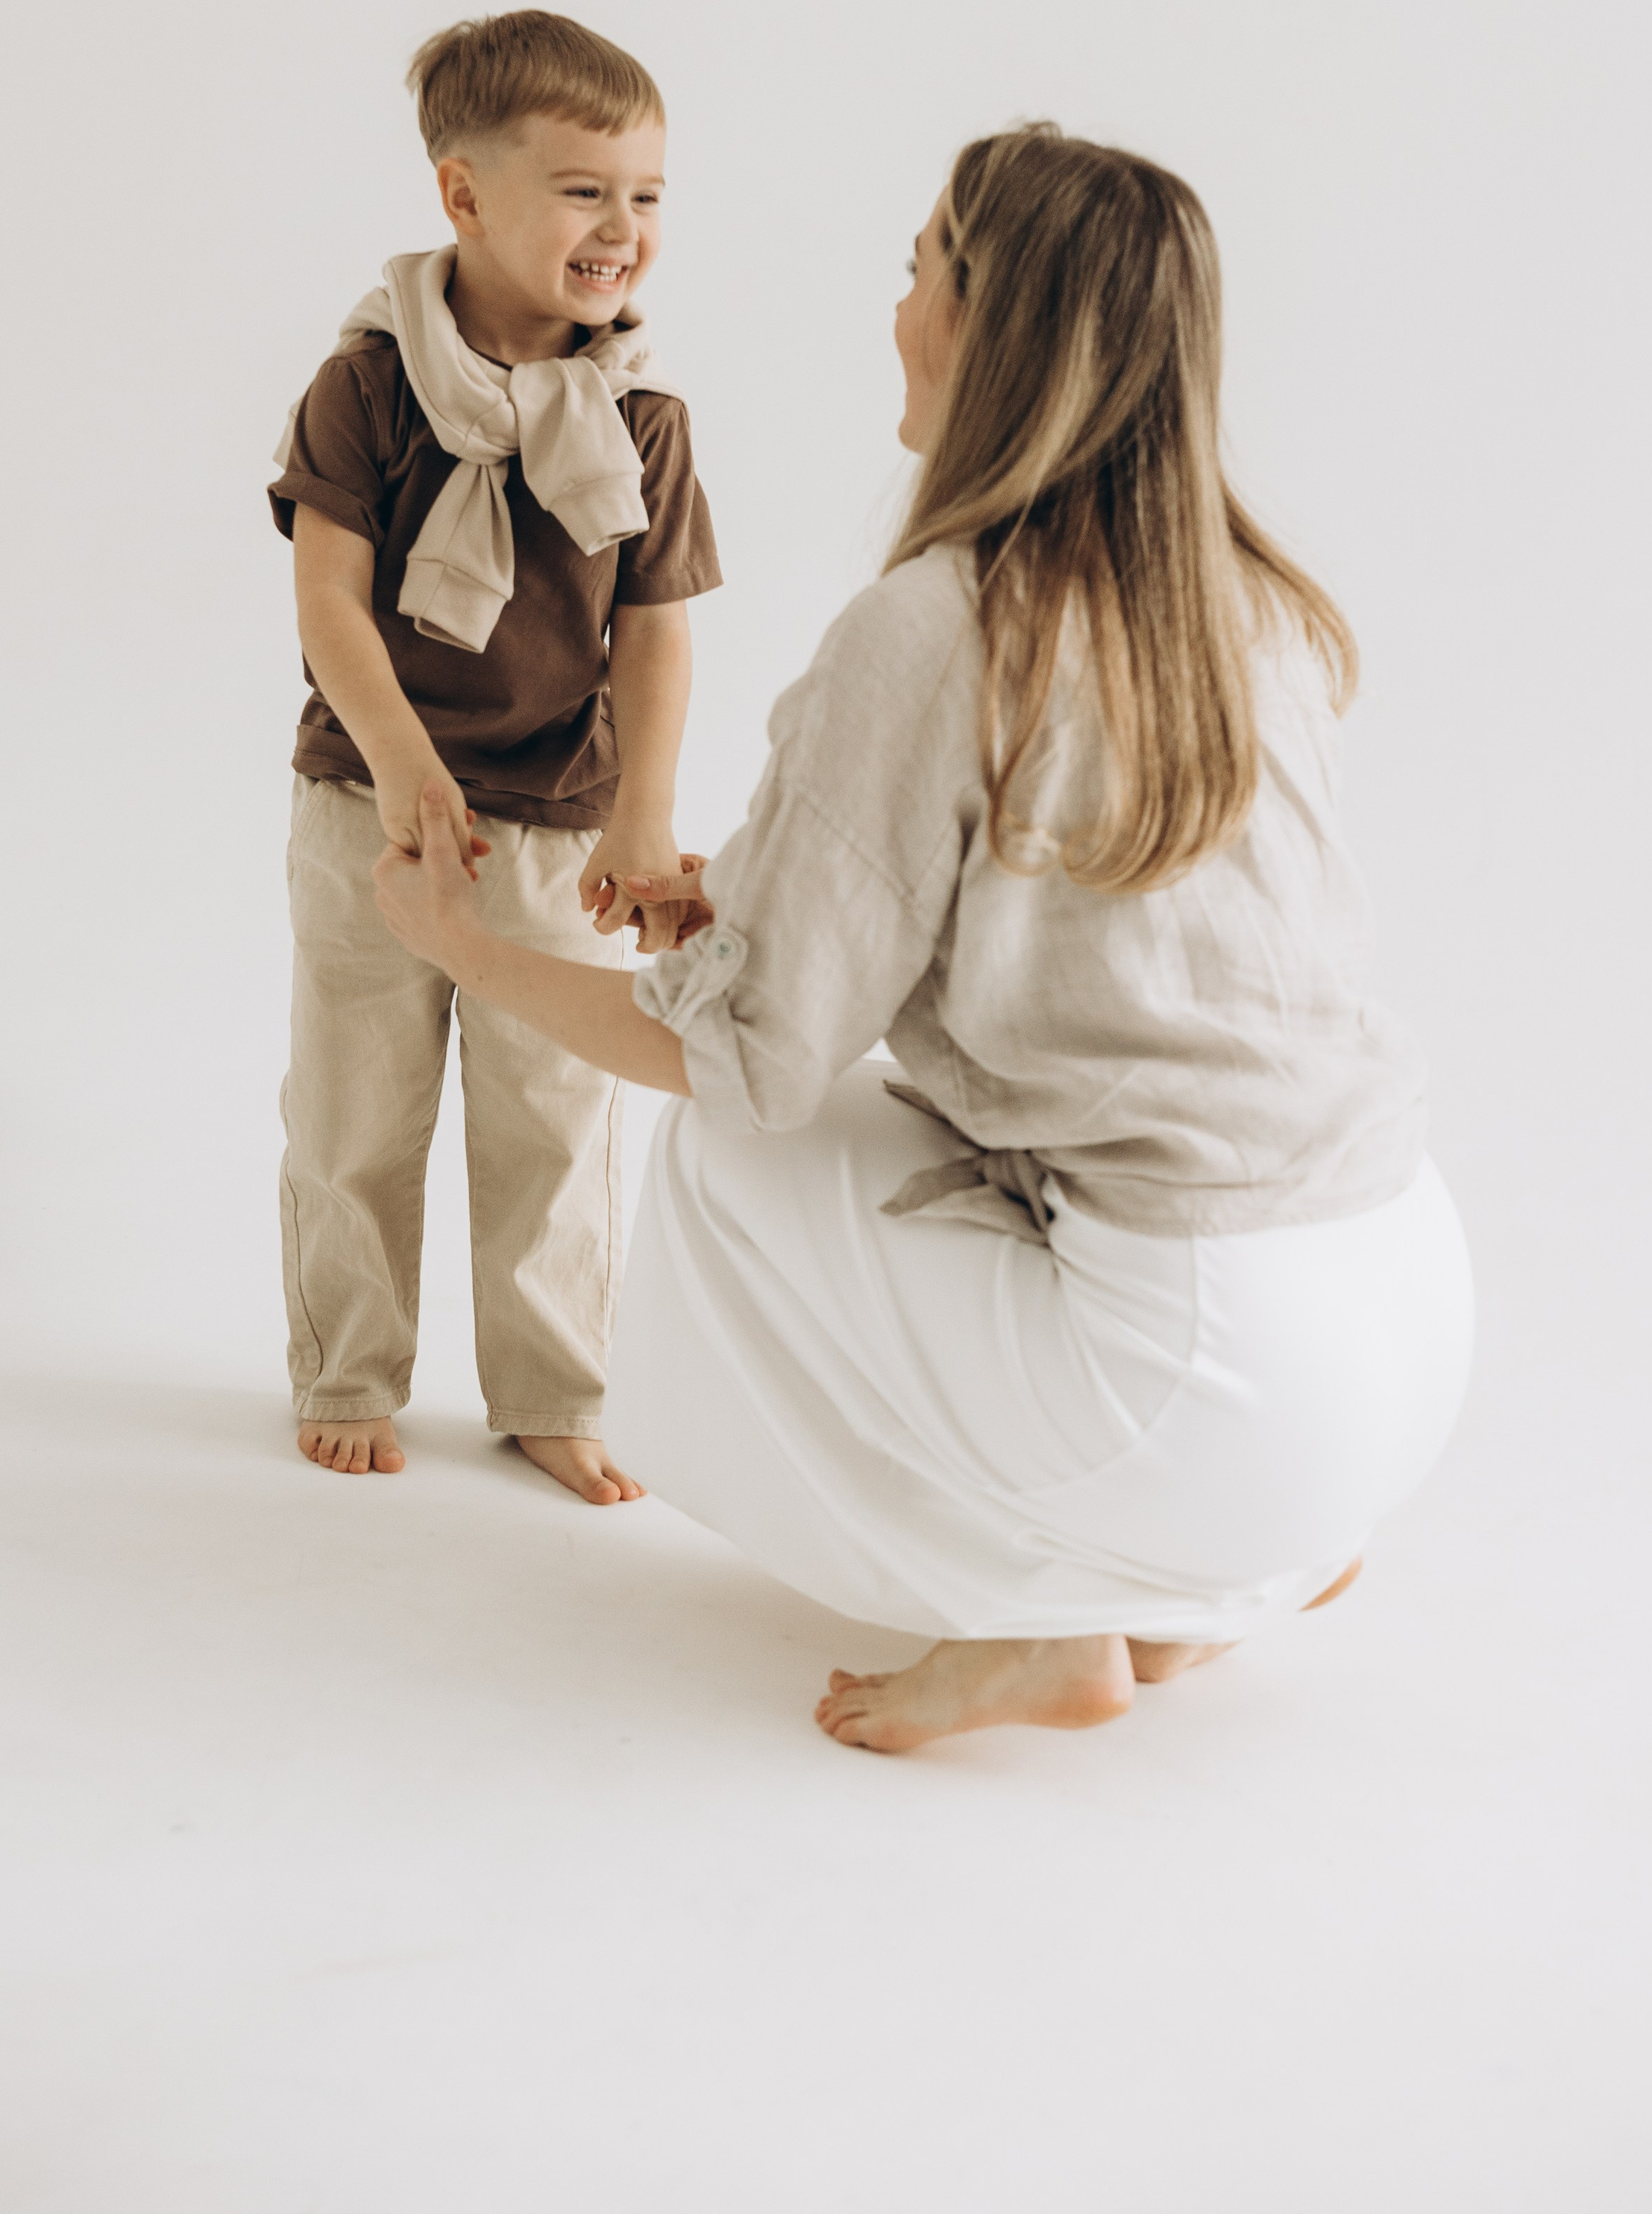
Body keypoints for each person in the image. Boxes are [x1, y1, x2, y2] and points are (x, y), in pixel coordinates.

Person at [373, 123, 1473, 1749]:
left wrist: (461, 945)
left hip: (1203, 1366)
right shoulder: (1242, 603)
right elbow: (1096, 919)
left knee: (727, 1156)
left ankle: (1029, 1612)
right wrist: (736, 889)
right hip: (1398, 1326)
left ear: (987, 326)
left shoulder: (935, 623)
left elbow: (728, 1061)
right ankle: (1214, 1583)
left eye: (916, 273)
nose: (894, 311)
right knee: (902, 1145)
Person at [268, 10, 722, 1500]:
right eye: (583, 190)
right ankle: (347, 1370)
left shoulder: (640, 413)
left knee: (551, 1113)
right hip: (374, 805)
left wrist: (638, 825)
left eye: (645, 195)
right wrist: (401, 763)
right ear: (461, 195)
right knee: (359, 1103)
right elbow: (329, 599)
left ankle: (550, 1385)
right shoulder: (375, 382)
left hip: (549, 820)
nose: (621, 228)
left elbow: (652, 632)